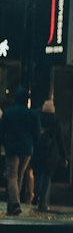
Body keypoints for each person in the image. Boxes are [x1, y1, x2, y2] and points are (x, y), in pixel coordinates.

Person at [0, 87, 41, 216]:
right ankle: (12, 206)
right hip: (26, 148)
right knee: (19, 175)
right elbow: (37, 133)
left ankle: (15, 204)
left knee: (11, 175)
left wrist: (3, 144)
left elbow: (2, 130)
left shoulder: (8, 112)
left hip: (12, 147)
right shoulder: (33, 114)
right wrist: (33, 144)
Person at [33, 98, 67, 213]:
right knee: (47, 177)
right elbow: (60, 140)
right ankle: (42, 200)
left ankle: (36, 194)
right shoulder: (56, 122)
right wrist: (64, 156)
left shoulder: (37, 119)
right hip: (50, 154)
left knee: (37, 175)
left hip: (37, 152)